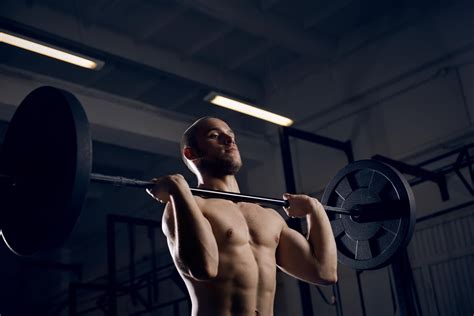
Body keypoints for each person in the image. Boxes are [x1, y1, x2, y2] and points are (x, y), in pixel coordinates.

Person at [147, 117, 337, 316]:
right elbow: (204, 269)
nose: (229, 140)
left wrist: (315, 209)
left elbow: (324, 272)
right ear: (191, 152)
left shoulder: (269, 217)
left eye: (230, 135)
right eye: (214, 136)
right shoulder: (189, 206)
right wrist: (178, 191)